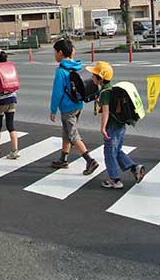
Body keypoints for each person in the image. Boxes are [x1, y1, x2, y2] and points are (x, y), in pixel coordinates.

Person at [88, 61, 145, 189]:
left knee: (109, 152)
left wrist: (103, 128)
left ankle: (114, 179)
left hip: (112, 127)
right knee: (116, 150)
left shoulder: (104, 93)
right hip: (121, 125)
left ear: (100, 78)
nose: (92, 77)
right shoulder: (111, 88)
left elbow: (106, 112)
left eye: (94, 74)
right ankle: (134, 167)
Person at [50, 39, 99, 175]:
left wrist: (53, 110)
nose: (54, 54)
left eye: (55, 52)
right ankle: (63, 159)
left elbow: (57, 92)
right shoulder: (76, 66)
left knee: (72, 134)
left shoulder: (61, 71)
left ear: (60, 53)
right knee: (67, 132)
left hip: (67, 107)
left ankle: (90, 160)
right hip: (78, 104)